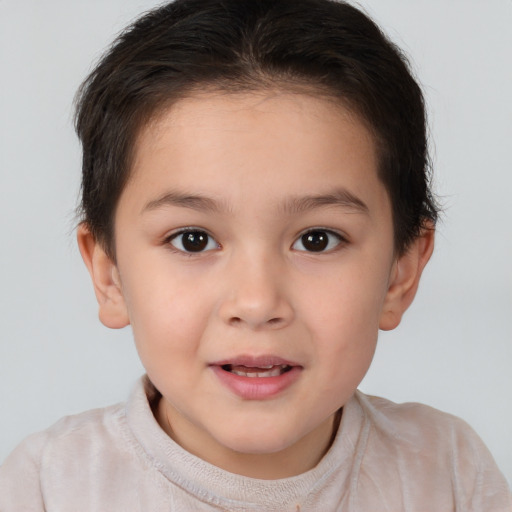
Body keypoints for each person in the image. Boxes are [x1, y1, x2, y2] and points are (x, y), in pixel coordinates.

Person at [0, 0, 510, 509]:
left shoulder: (448, 473)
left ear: (400, 273)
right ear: (109, 274)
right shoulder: (48, 486)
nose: (258, 301)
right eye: (193, 239)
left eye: (317, 239)